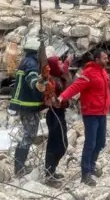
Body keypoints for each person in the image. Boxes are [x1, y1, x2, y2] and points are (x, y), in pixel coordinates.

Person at [57, 49, 110, 186]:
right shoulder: (88, 73)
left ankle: (91, 166)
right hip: (91, 114)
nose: (107, 60)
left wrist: (109, 104)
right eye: (104, 58)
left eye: (107, 58)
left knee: (100, 142)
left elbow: (106, 91)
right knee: (90, 143)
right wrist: (62, 97)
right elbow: (75, 87)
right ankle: (85, 173)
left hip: (102, 113)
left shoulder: (103, 72)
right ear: (97, 60)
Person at [9, 38, 47, 177]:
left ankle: (19, 166)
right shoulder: (32, 63)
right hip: (28, 105)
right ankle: (19, 168)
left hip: (24, 104)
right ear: (37, 51)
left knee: (28, 134)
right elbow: (31, 78)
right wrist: (38, 83)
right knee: (29, 135)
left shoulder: (25, 60)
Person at [44, 54, 73, 187]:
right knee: (56, 145)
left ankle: (52, 170)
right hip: (54, 114)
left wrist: (68, 61)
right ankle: (49, 175)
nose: (61, 65)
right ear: (54, 66)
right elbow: (51, 100)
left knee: (61, 144)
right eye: (59, 63)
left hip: (60, 113)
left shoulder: (58, 76)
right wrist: (56, 99)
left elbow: (65, 68)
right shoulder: (51, 82)